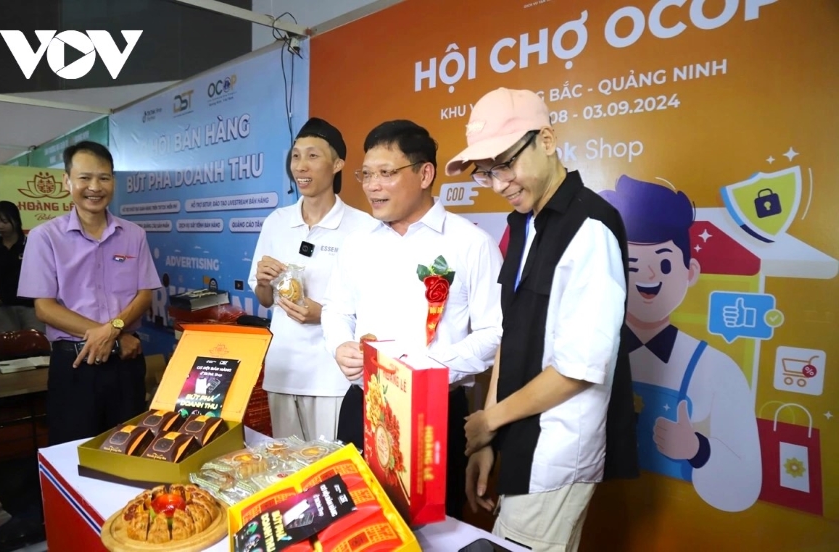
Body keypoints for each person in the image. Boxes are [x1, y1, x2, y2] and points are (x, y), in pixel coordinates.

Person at [450, 88, 637, 551]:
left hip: (556, 451)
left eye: (505, 164)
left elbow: (578, 368)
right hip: (519, 439)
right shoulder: (524, 224)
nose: (498, 184)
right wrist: (488, 438)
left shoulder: (590, 228)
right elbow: (511, 335)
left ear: (547, 140)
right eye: (486, 172)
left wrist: (489, 421)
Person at [322, 120, 503, 520]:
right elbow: (336, 308)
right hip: (363, 406)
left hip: (435, 416)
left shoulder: (470, 244)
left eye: (386, 173)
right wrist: (339, 345)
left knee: (431, 532)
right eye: (366, 174)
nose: (372, 186)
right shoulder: (357, 244)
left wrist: (423, 370)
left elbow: (494, 332)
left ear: (425, 174)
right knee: (353, 521)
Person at [600, 175, 761, 512]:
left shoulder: (718, 368)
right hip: (599, 504)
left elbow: (746, 485)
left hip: (681, 516)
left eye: (663, 263)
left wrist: (698, 450)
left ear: (690, 272)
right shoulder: (593, 348)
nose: (648, 278)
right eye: (631, 266)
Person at [18, 141, 161, 446]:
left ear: (113, 182)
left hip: (125, 363)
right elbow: (44, 308)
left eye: (104, 178)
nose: (95, 187)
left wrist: (113, 330)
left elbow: (144, 295)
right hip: (75, 365)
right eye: (84, 178)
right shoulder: (45, 237)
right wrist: (111, 334)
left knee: (130, 450)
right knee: (73, 452)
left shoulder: (134, 234)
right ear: (67, 181)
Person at [247, 117, 375, 442]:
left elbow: (375, 307)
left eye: (313, 156)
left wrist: (325, 314)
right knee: (286, 466)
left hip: (334, 376)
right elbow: (265, 300)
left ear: (338, 164)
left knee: (331, 466)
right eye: (295, 156)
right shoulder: (277, 221)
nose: (301, 166)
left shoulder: (363, 227)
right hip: (283, 371)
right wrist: (263, 282)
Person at [0, 201, 44, 333]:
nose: (0, 226)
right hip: (4, 307)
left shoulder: (31, 245)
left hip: (32, 306)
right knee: (6, 344)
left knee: (36, 341)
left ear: (16, 221)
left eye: (5, 221)